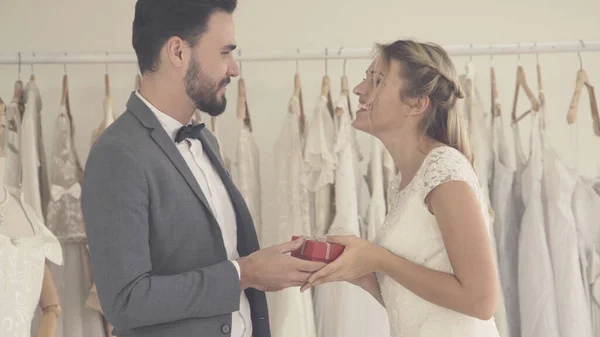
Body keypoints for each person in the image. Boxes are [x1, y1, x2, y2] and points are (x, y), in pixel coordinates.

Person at [80, 1, 326, 337]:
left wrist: (268, 266)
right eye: (225, 53)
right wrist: (245, 274)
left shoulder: (204, 139)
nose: (235, 69)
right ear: (178, 52)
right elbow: (125, 302)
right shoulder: (118, 154)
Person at [302, 40, 501, 337]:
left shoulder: (444, 169)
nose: (358, 89)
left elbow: (481, 301)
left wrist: (379, 258)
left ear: (417, 103)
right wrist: (363, 272)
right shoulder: (404, 180)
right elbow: (414, 305)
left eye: (377, 81)